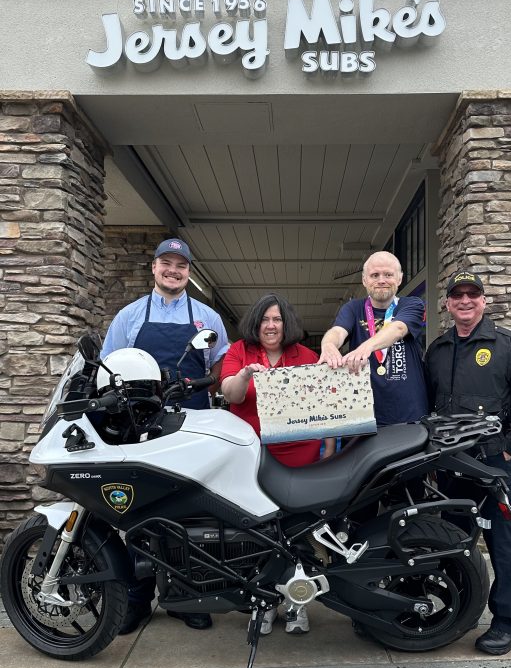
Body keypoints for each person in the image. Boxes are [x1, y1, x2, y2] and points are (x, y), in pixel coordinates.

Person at [101, 236, 229, 635]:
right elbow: (107, 367)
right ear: (154, 267)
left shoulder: (207, 317)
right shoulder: (129, 317)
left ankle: (187, 596)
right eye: (167, 263)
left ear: (189, 272)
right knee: (138, 513)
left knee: (190, 513)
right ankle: (137, 600)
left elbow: (220, 365)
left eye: (181, 265)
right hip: (140, 428)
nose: (173, 271)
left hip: (192, 425)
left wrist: (209, 385)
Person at [424, 270, 511, 655]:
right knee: (453, 544)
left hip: (493, 467)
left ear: (483, 300)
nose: (465, 300)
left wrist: (509, 448)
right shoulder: (438, 350)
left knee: (502, 545)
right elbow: (429, 407)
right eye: (457, 295)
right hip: (451, 467)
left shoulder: (510, 347)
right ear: (447, 303)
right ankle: (456, 614)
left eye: (472, 294)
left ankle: (509, 624)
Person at [220, 293, 335, 636]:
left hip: (299, 455)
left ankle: (297, 604)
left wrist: (329, 448)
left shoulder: (306, 356)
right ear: (255, 323)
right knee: (258, 532)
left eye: (277, 319)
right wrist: (245, 374)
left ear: (287, 324)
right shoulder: (239, 350)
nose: (271, 326)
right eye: (265, 319)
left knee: (297, 531)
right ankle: (264, 603)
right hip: (252, 456)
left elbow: (325, 404)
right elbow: (230, 394)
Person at [319, 251, 428, 426]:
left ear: (399, 278)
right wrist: (328, 344)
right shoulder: (353, 308)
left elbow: (398, 328)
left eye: (388, 275)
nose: (381, 280)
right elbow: (338, 331)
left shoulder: (412, 304)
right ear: (364, 280)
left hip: (410, 417)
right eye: (375, 275)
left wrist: (365, 348)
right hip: (363, 419)